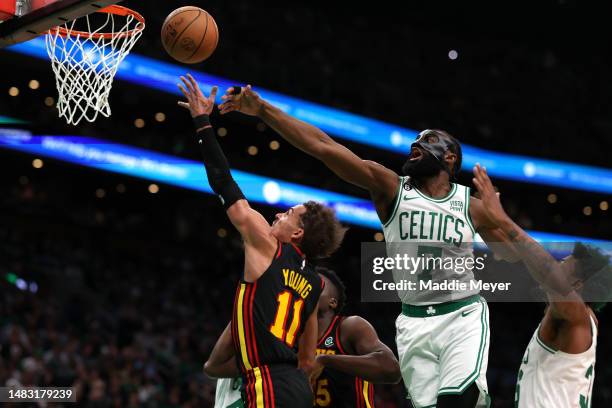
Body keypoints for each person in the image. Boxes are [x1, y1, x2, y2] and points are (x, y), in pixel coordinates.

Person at [218, 86, 521, 407]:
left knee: (458, 399)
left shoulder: (470, 206)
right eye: (416, 140)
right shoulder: (391, 187)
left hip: (462, 313)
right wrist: (264, 110)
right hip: (413, 322)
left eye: (429, 140)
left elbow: (510, 256)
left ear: (450, 158)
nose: (416, 144)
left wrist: (499, 217)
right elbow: (323, 147)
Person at [177, 74, 347, 407]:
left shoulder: (269, 247)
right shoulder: (313, 284)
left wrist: (201, 123)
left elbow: (225, 183)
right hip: (297, 390)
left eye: (288, 214)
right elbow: (308, 359)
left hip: (267, 385)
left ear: (297, 234)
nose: (279, 215)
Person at [472, 163, 611, 408]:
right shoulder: (574, 316)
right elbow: (517, 255)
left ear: (578, 283)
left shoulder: (576, 315)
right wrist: (483, 217)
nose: (559, 262)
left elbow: (545, 268)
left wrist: (502, 219)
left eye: (566, 262)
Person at [312, 267, 401, 407]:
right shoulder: (289, 336)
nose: (308, 285)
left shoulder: (349, 327)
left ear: (332, 302)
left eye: (317, 282)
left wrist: (325, 360)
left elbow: (391, 369)